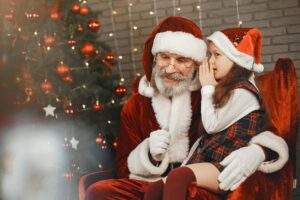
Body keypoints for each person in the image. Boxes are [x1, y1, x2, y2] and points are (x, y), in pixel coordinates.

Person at [85, 16, 288, 200]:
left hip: (196, 184)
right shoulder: (136, 105)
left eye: (182, 60)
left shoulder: (212, 92)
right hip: (151, 183)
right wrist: (147, 153)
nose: (171, 68)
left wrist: (259, 150)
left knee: (187, 190)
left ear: (196, 64)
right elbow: (122, 169)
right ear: (155, 58)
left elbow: (262, 124)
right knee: (99, 191)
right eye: (165, 57)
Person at [143, 27, 281, 200]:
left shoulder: (244, 91)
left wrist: (207, 87)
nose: (211, 61)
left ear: (236, 59)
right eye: (210, 54)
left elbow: (212, 125)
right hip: (209, 160)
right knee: (155, 188)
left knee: (179, 177)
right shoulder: (225, 88)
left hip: (225, 165)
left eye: (217, 55)